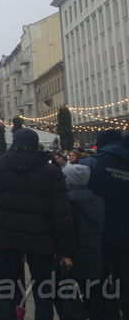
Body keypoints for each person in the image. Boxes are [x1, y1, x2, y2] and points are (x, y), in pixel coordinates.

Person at [0, 128, 76, 320]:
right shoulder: (51, 171)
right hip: (41, 239)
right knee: (43, 294)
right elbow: (62, 214)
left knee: (6, 291)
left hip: (8, 237)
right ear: (36, 145)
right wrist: (66, 251)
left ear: (13, 143)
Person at [80, 129, 129, 319]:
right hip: (125, 229)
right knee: (124, 273)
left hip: (98, 230)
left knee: (98, 276)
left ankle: (107, 313)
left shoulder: (91, 163)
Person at [61, 164, 105, 320]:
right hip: (94, 254)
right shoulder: (97, 199)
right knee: (94, 297)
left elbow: (66, 230)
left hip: (73, 256)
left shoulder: (67, 202)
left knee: (69, 298)